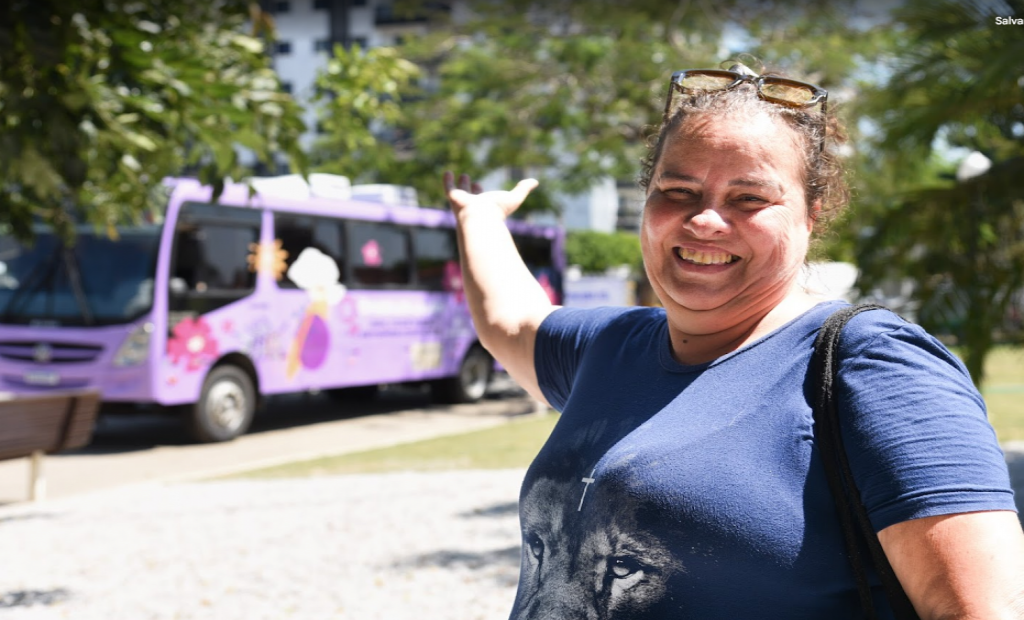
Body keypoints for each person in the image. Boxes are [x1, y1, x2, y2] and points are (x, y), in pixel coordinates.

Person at [443, 63, 1024, 619]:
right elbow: (511, 322)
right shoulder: (613, 346)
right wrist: (481, 219)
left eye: (749, 198)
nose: (704, 221)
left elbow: (983, 609)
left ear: (811, 215)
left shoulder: (874, 365)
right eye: (677, 190)